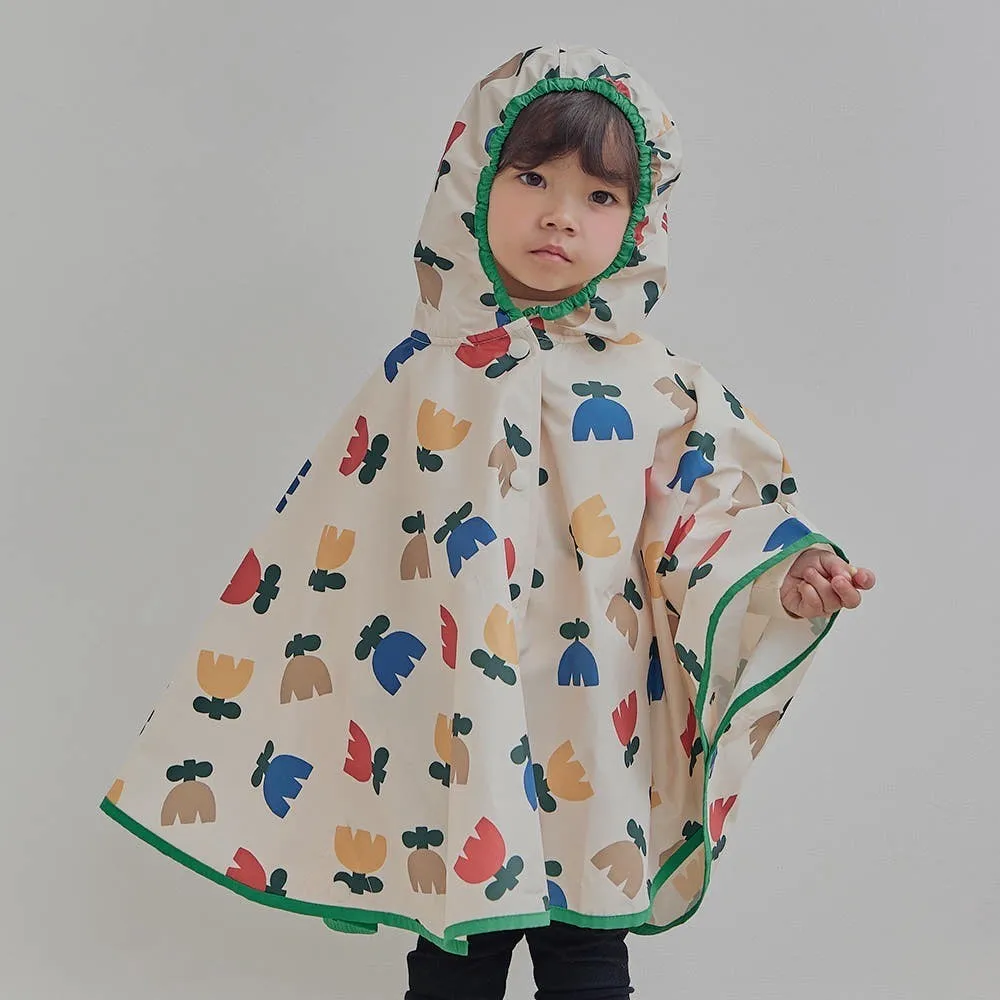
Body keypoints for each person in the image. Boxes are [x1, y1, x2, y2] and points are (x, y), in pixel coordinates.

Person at [100, 44, 876, 1000]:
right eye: (533, 177)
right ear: (473, 179)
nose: (561, 214)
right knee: (454, 957)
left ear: (639, 218)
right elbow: (335, 559)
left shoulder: (661, 387)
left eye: (600, 195)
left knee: (588, 957)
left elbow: (714, 517)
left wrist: (786, 575)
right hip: (459, 723)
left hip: (595, 725)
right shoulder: (422, 377)